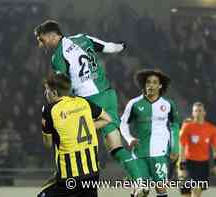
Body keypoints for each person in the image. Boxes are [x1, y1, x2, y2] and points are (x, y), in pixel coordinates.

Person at [34, 19, 143, 183]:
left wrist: (54, 99)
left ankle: (66, 173)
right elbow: (110, 47)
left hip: (88, 103)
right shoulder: (83, 38)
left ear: (51, 35)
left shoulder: (58, 56)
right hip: (108, 95)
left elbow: (63, 86)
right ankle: (140, 182)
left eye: (41, 40)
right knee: (116, 148)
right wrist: (123, 45)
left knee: (64, 133)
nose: (41, 45)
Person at [39, 73, 112, 197]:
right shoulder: (83, 102)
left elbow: (48, 144)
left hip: (69, 176)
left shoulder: (49, 109)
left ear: (54, 93)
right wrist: (87, 127)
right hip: (93, 173)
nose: (45, 93)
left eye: (47, 90)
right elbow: (107, 119)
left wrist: (44, 125)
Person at [120, 69, 181, 197]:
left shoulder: (168, 104)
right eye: (148, 82)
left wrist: (175, 148)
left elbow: (175, 125)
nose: (150, 85)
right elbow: (123, 123)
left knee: (161, 189)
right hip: (139, 153)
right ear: (144, 84)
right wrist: (129, 138)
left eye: (154, 82)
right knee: (141, 191)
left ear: (160, 86)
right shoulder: (134, 103)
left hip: (160, 153)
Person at [179, 102, 216, 197]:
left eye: (200, 110)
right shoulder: (187, 127)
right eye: (196, 111)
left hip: (203, 165)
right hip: (189, 163)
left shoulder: (211, 129)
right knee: (185, 193)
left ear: (204, 112)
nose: (198, 113)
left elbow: (215, 148)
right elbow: (182, 147)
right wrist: (182, 166)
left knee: (196, 190)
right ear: (192, 113)